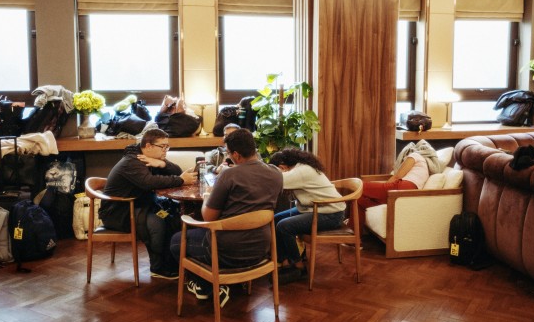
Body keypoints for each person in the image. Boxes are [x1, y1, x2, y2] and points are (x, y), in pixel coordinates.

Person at [170, 128, 282, 307]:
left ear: (236, 155)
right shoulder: (275, 172)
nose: (228, 157)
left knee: (176, 240)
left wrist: (208, 195)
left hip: (226, 252)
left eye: (229, 153)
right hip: (262, 248)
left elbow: (209, 216)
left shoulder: (229, 175)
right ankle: (223, 284)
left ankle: (207, 286)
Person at [99, 128, 197, 279]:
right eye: (162, 146)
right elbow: (148, 182)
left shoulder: (148, 158)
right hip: (118, 212)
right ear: (149, 146)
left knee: (174, 214)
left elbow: (177, 171)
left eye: (167, 146)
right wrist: (181, 180)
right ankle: (159, 268)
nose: (166, 150)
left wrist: (162, 164)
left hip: (137, 206)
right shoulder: (132, 162)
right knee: (158, 222)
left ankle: (173, 262)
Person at [268, 148, 345, 284]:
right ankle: (285, 262)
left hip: (331, 213)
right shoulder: (302, 167)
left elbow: (274, 180)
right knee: (276, 218)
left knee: (284, 226)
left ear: (282, 167)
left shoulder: (301, 171)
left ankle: (299, 267)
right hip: (316, 209)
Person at [352, 140, 441, 235]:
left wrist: (384, 187)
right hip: (407, 192)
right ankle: (354, 236)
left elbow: (397, 176)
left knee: (358, 185)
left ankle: (345, 225)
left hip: (403, 187)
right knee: (359, 199)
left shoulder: (415, 156)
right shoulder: (426, 164)